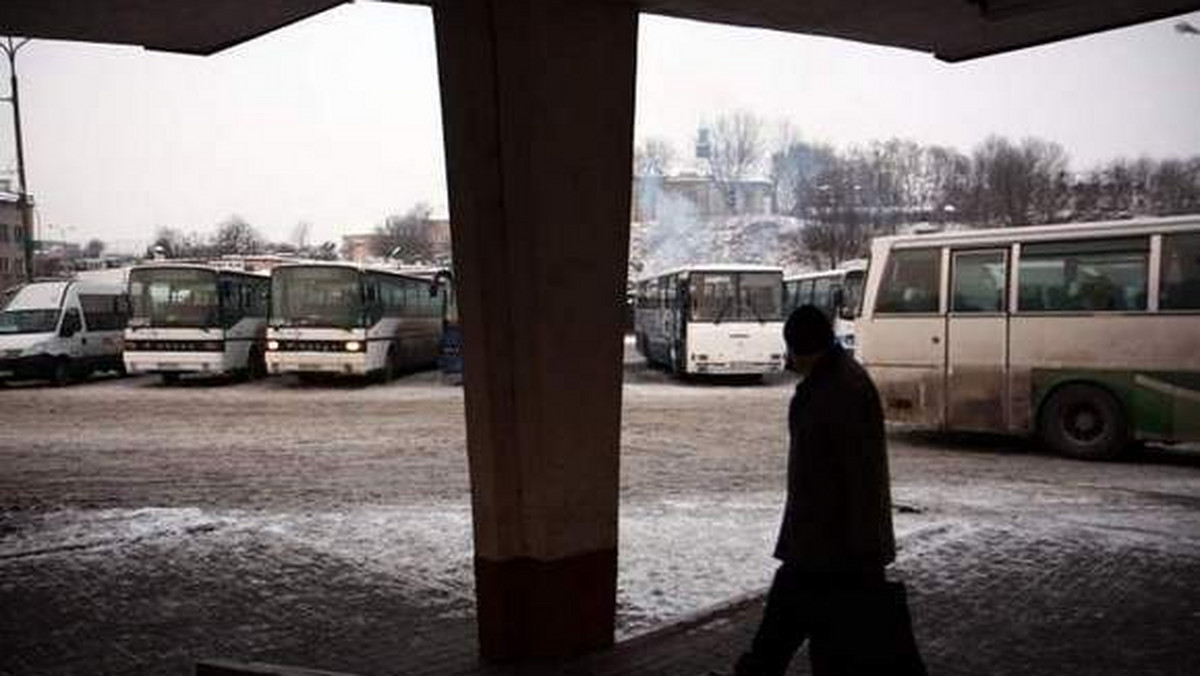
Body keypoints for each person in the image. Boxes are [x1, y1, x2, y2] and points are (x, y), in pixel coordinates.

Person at [729, 305, 924, 676]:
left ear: (803, 347)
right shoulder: (838, 380)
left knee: (791, 634)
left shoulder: (836, 391)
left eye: (791, 350)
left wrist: (862, 549)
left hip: (831, 547)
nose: (788, 359)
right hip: (829, 545)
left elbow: (855, 474)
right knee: (816, 640)